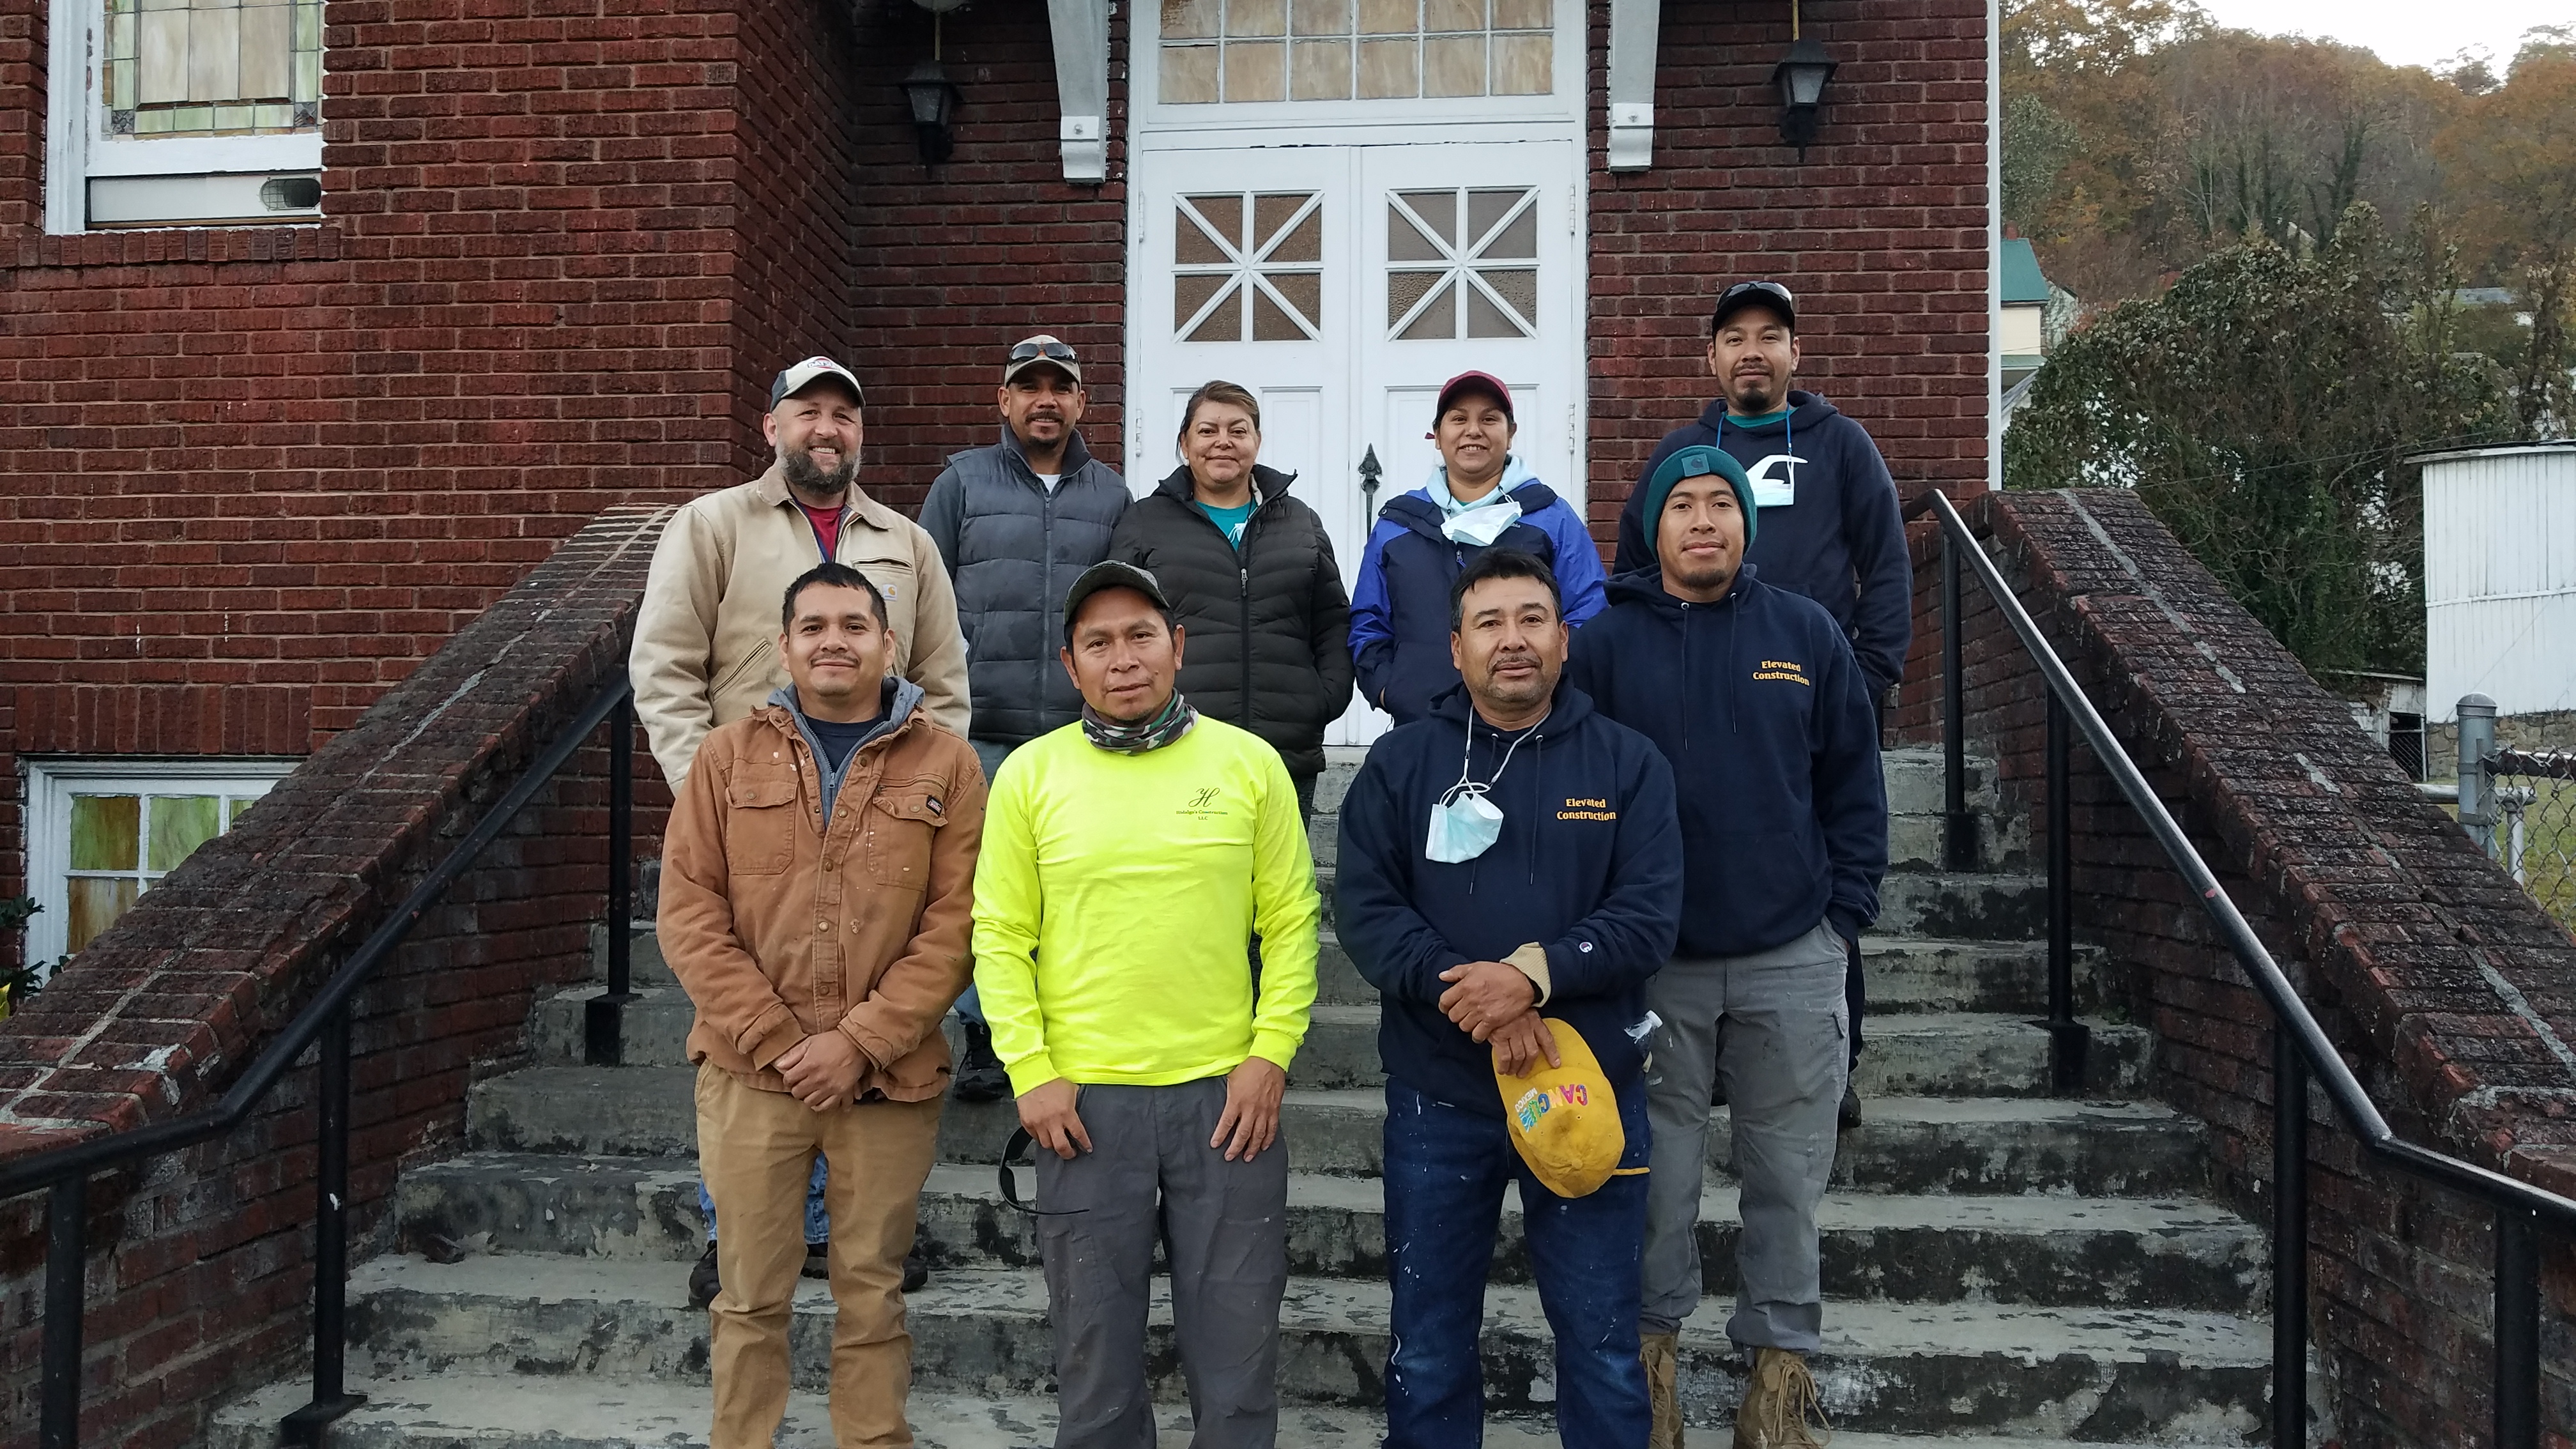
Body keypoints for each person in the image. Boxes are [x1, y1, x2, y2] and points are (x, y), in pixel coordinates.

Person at [632, 357, 970, 1308]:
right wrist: (710, 789)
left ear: (861, 433)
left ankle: (855, 1228)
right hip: (755, 821)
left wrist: (931, 787)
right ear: (771, 425)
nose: (827, 428)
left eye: (844, 416)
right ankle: (741, 1230)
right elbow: (663, 665)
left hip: (884, 818)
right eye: (808, 412)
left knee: (865, 1009)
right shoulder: (712, 526)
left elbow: (942, 676)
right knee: (750, 1026)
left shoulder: (906, 543)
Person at [1570, 447, 1888, 1449]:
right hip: (1652, 964)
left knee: (1788, 1179)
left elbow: (1853, 787)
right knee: (1654, 1186)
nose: (1702, 520)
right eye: (1682, 505)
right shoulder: (1604, 647)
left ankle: (1778, 1394)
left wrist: (1841, 922)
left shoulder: (1807, 633)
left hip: (1791, 954)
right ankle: (1652, 1390)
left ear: (1746, 525)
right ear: (1652, 528)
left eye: (1722, 504)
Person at [1335, 548, 1683, 1449]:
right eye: (1489, 624)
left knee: (1604, 1342)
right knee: (1430, 1341)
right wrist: (1479, 998)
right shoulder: (1402, 764)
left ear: (1565, 638)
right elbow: (1370, 913)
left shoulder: (1629, 764)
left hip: (1587, 1088)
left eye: (1532, 619)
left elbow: (1647, 919)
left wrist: (1530, 977)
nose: (1512, 641)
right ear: (1456, 650)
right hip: (1439, 1096)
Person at [973, 560, 1321, 1449]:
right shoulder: (1029, 776)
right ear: (1069, 664)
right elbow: (1000, 935)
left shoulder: (1250, 767)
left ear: (1178, 646)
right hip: (1083, 1112)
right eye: (1099, 643)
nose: (1122, 658)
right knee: (1095, 1374)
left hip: (1227, 1104)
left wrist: (1269, 1054)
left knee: (1238, 1364)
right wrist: (1033, 1072)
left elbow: (1290, 922)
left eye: (1140, 636)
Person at [656, 560, 986, 1449]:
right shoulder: (726, 758)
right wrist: (773, 1037)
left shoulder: (948, 765)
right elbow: (688, 915)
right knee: (749, 1296)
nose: (833, 640)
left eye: (854, 625)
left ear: (888, 642)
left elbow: (958, 926)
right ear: (785, 645)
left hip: (888, 1082)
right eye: (814, 626)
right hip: (748, 1076)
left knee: (871, 1297)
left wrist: (861, 1041)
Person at [1611, 281, 1910, 1128]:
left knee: (1816, 878)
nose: (1752, 351)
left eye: (1769, 336)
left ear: (1794, 354)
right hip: (1694, 704)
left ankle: (1828, 1063)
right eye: (1734, 337)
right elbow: (1634, 567)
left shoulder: (1841, 446)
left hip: (1807, 704)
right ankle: (1704, 1057)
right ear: (1711, 357)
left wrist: (1862, 676)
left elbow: (1886, 564)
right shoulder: (1681, 452)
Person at [920, 334, 1130, 1103]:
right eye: (1029, 386)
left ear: (1081, 403)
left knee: (1078, 887)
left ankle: (1072, 1028)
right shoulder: (961, 484)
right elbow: (922, 599)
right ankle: (985, 1036)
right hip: (981, 729)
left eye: (1060, 387)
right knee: (985, 892)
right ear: (1004, 400)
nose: (1045, 399)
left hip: (1083, 734)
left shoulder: (1113, 497)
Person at [1109, 379, 1353, 816]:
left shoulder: (1299, 521)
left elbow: (1333, 619)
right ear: (1185, 443)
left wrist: (1324, 698)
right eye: (1208, 431)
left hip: (1285, 750)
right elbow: (1117, 625)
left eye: (1238, 430)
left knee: (1282, 882)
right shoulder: (1145, 523)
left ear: (1257, 442)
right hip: (1177, 745)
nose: (1223, 441)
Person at [1348, 372, 1607, 726]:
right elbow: (1369, 620)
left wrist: (1548, 687)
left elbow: (1588, 614)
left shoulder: (1551, 518)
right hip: (1423, 724)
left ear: (1510, 434)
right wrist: (1387, 688)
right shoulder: (1397, 524)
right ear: (1437, 436)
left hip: (1530, 727)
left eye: (1489, 419)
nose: (1474, 430)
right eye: (1459, 419)